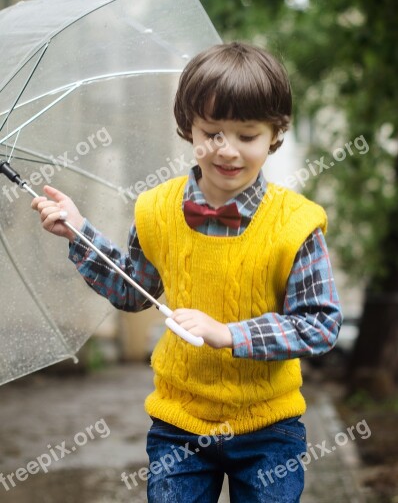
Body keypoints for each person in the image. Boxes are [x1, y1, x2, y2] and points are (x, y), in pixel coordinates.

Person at [32, 42, 343, 503]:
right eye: (212, 132)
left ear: (276, 133)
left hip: (268, 428)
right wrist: (80, 233)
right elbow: (134, 290)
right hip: (179, 424)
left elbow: (320, 324)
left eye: (247, 135)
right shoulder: (156, 209)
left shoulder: (296, 224)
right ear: (188, 127)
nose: (228, 150)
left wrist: (232, 334)